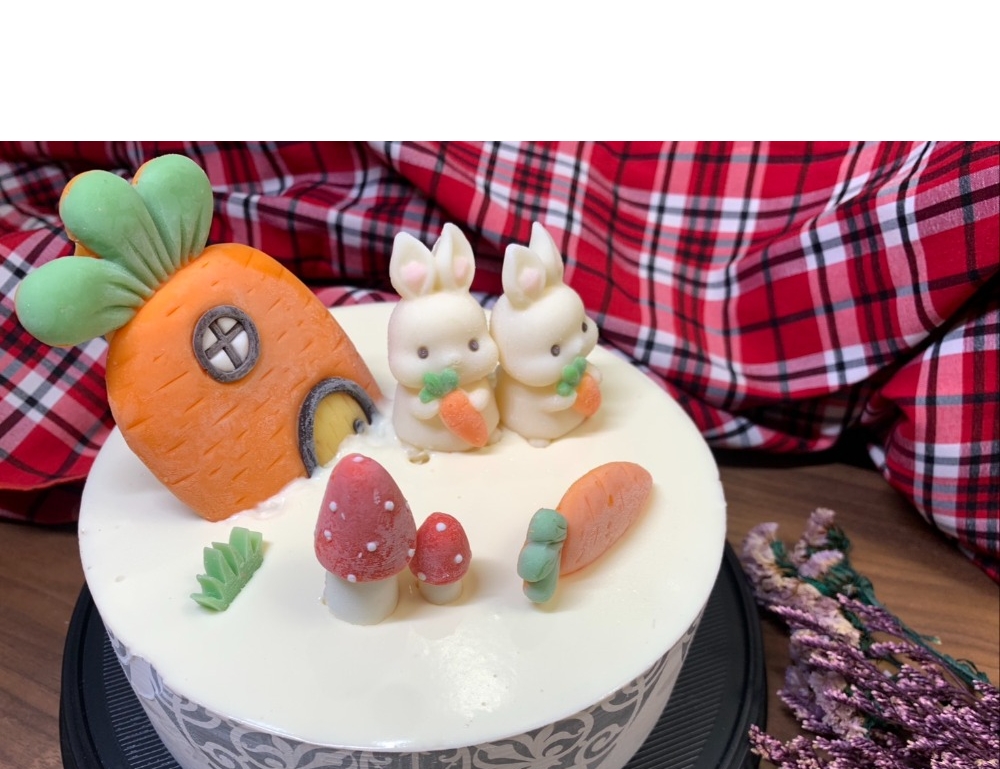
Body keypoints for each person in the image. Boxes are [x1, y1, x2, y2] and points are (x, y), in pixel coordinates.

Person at [1, 141, 996, 580]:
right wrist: (441, 404)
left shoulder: (502, 352)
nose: (469, 353)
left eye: (477, 341)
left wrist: (546, 387)